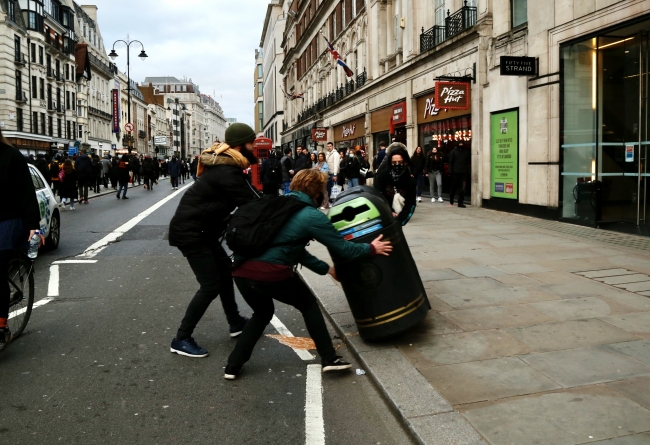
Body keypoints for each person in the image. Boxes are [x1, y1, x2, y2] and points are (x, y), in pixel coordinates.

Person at [224, 169, 393, 380]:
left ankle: (232, 365)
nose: (325, 193)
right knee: (308, 305)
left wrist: (328, 269)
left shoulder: (279, 205)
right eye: (323, 189)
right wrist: (371, 249)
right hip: (270, 273)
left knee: (262, 313)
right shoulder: (310, 215)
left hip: (241, 271)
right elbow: (343, 248)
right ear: (316, 191)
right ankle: (329, 359)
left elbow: (296, 250)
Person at [168, 123, 260, 358]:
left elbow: (252, 199)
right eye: (252, 143)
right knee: (210, 285)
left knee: (226, 273)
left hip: (203, 231)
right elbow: (251, 202)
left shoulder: (228, 167)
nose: (255, 147)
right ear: (241, 145)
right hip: (192, 234)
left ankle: (235, 321)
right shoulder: (227, 172)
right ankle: (181, 338)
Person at [0, 132, 43, 351]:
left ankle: (2, 326)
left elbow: (26, 192)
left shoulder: (11, 156)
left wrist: (33, 224)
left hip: (7, 220)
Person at [374, 145, 417, 226]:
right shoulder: (383, 176)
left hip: (398, 220)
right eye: (394, 162)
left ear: (405, 162)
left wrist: (400, 221)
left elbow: (411, 204)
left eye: (400, 162)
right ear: (390, 163)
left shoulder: (410, 181)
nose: (397, 165)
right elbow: (378, 196)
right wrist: (389, 212)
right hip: (382, 217)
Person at [449, 142, 470, 208]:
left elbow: (467, 163)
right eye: (460, 143)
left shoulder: (466, 152)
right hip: (455, 173)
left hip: (464, 173)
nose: (461, 145)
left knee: (463, 188)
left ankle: (460, 202)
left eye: (462, 143)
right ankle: (451, 198)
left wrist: (468, 172)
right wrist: (450, 172)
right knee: (454, 187)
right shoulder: (453, 152)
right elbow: (451, 163)